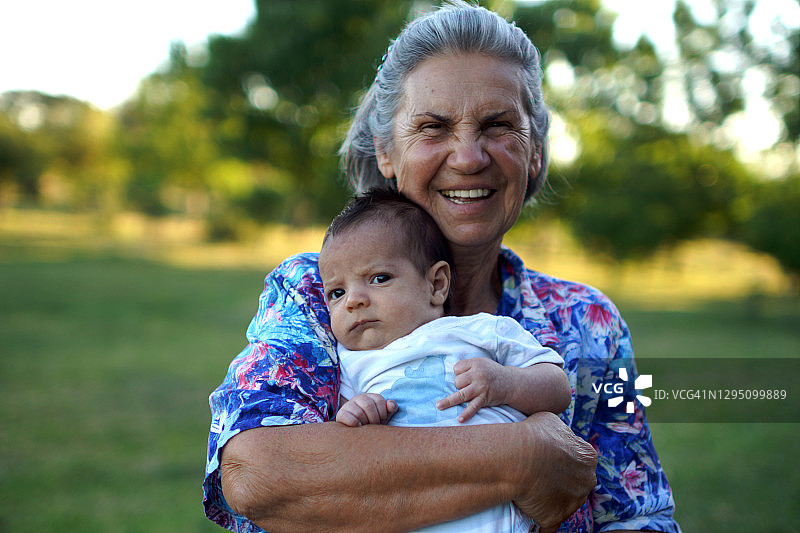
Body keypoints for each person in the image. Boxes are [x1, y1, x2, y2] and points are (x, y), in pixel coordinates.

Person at [204, 2, 681, 532]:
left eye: (498, 125)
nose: (469, 157)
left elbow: (640, 514)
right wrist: (521, 456)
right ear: (386, 152)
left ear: (535, 152)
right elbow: (257, 472)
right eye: (433, 127)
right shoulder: (318, 293)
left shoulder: (592, 322)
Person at [321, 189, 570, 532]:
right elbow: (340, 437)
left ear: (436, 284)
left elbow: (558, 388)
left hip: (497, 518)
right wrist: (356, 412)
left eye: (379, 278)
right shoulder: (351, 361)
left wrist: (506, 383)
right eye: (337, 292)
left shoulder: (482, 331)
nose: (354, 301)